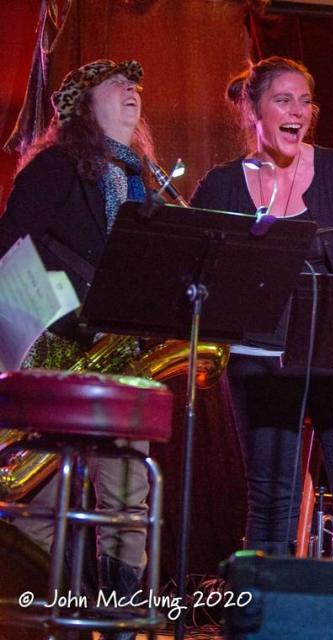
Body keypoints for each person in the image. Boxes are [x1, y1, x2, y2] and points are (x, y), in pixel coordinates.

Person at [190, 56, 333, 558]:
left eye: (305, 101)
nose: (297, 111)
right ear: (252, 111)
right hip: (260, 361)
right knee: (271, 501)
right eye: (283, 99)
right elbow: (196, 275)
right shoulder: (220, 186)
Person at [0, 58, 158, 640]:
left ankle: (118, 625)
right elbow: (8, 246)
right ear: (84, 106)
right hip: (56, 352)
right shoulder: (54, 166)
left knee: (126, 506)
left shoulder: (145, 177)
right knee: (40, 505)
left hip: (124, 360)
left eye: (136, 86)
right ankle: (34, 622)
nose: (132, 92)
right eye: (119, 85)